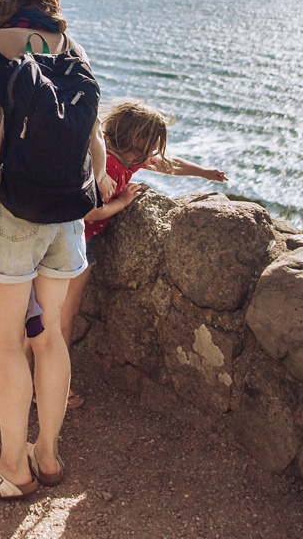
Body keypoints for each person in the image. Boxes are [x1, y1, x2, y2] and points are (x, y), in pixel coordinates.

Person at [0, 0, 110, 500]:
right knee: (50, 338)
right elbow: (94, 138)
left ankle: (13, 468)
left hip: (8, 212)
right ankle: (49, 453)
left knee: (4, 344)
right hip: (67, 216)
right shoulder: (71, 48)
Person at [54, 99, 228, 407]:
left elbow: (167, 164)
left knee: (49, 314)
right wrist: (122, 203)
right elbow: (91, 212)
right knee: (62, 318)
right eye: (149, 148)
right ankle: (50, 387)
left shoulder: (120, 158)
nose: (152, 156)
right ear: (135, 145)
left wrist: (204, 172)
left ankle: (35, 376)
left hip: (70, 239)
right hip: (75, 241)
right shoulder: (107, 166)